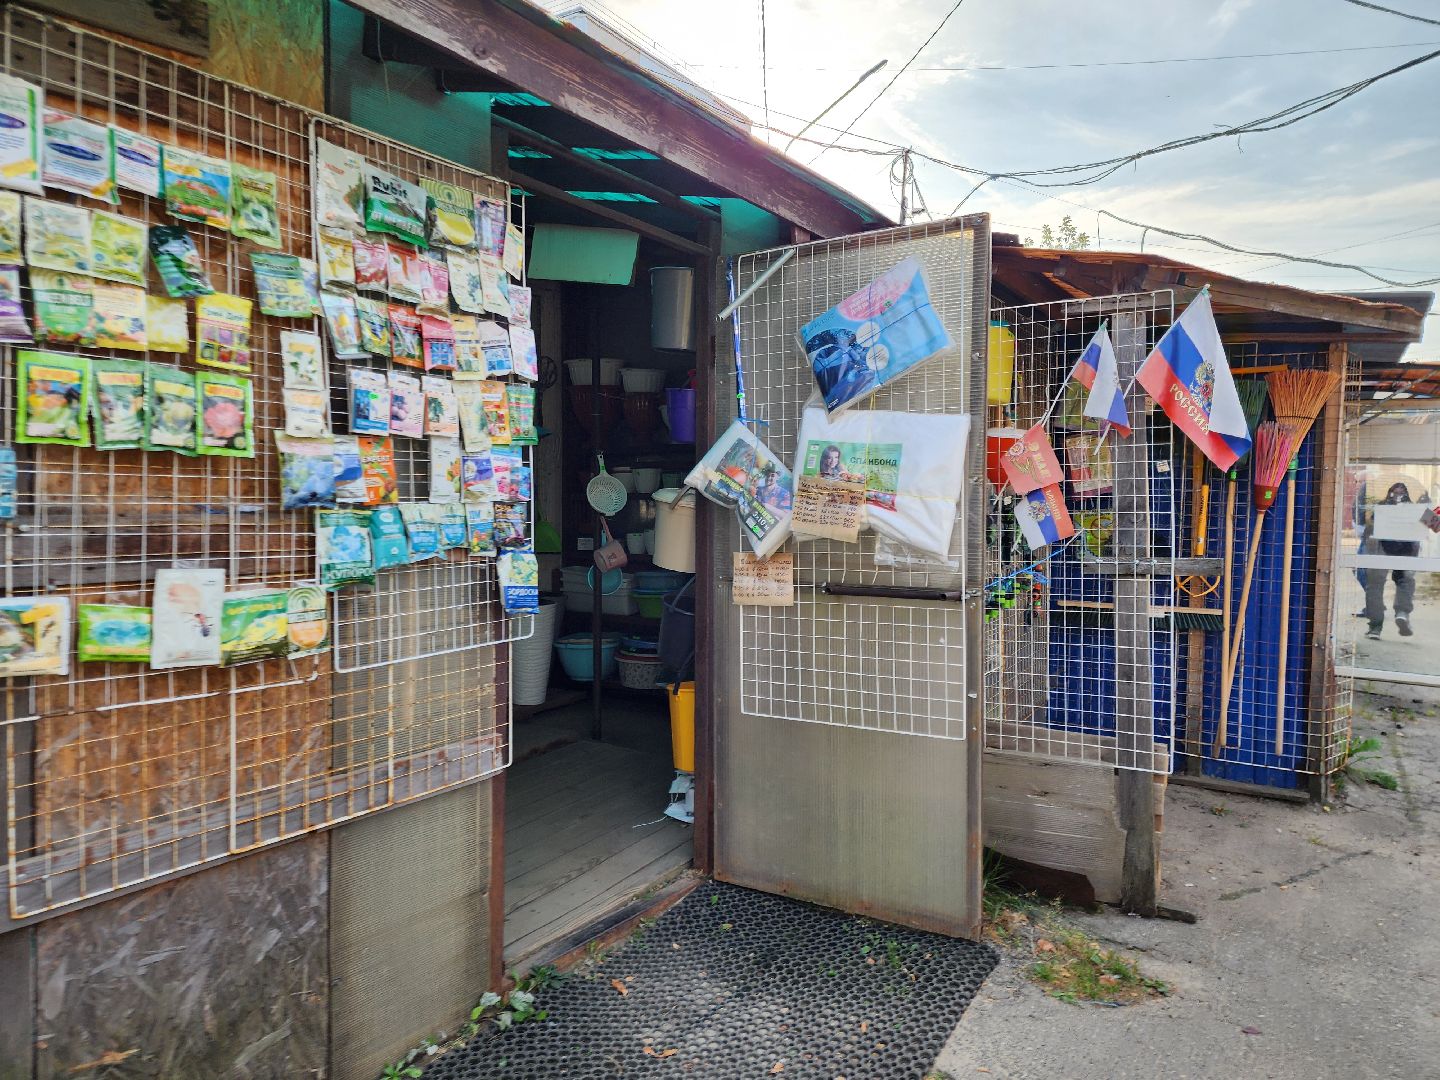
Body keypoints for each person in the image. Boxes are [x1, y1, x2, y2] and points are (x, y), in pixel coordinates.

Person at [1363, 481, 1420, 639]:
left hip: (1385, 548)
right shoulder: (1412, 508)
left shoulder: (1382, 507)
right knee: (1404, 581)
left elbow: (1368, 529)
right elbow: (1434, 523)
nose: (1398, 497)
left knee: (1376, 585)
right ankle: (1402, 614)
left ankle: (1376, 626)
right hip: (1402, 549)